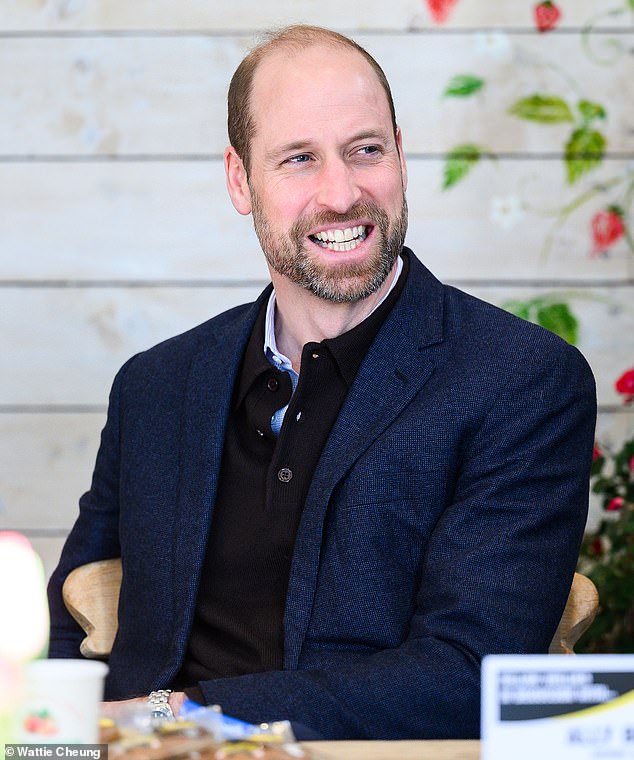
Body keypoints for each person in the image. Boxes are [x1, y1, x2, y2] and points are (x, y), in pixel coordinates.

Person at [47, 24, 596, 740]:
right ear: (241, 180)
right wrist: (45, 743)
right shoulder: (156, 386)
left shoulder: (523, 381)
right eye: (299, 158)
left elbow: (470, 673)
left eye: (366, 150)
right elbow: (62, 643)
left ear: (400, 153)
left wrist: (180, 713)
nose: (342, 194)